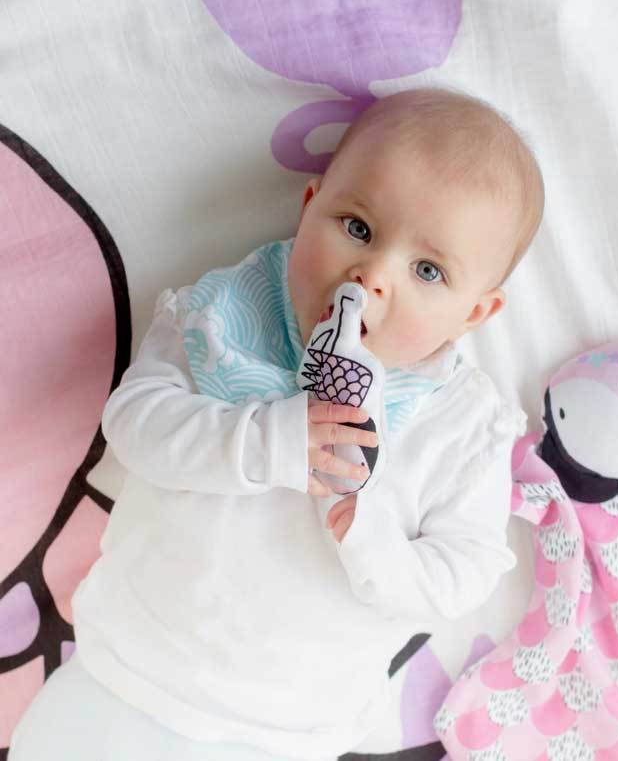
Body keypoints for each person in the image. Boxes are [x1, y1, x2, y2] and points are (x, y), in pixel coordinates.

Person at [10, 88, 545, 761]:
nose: (372, 276)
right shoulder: (222, 320)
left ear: (474, 313)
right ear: (308, 206)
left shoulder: (463, 427)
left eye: (428, 270)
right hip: (123, 674)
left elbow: (462, 574)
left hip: (289, 731)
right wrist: (268, 441)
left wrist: (371, 539)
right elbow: (135, 424)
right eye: (358, 228)